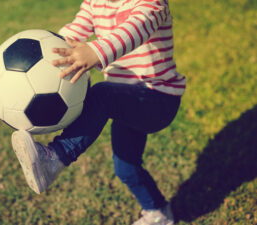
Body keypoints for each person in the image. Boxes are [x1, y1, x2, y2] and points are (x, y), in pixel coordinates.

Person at [11, 0, 186, 224]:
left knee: (102, 94)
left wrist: (95, 50)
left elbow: (134, 30)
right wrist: (45, 57)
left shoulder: (152, 4)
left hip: (158, 99)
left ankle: (56, 158)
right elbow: (69, 36)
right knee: (126, 167)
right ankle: (158, 211)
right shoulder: (96, 3)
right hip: (125, 102)